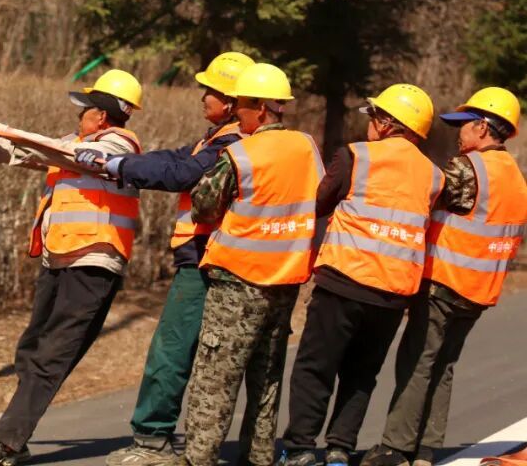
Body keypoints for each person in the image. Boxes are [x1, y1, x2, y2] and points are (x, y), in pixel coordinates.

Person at [0, 69, 143, 466]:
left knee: (52, 353)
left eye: (85, 110)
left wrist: (9, 130)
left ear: (102, 115)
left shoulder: (119, 146)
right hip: (59, 256)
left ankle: (6, 440)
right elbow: (18, 154)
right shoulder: (72, 144)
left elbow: (60, 153)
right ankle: (19, 433)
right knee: (31, 349)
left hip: (94, 260)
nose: (78, 116)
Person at [71, 52, 253, 465]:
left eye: (210, 91)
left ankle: (153, 441)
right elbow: (172, 159)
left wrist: (116, 163)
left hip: (207, 258)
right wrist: (118, 164)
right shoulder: (217, 139)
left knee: (172, 350)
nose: (202, 97)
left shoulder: (232, 144)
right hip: (213, 257)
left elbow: (180, 175)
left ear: (230, 101)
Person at [279, 85, 444, 466]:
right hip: (392, 295)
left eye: (374, 116)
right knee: (361, 375)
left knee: (315, 367)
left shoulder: (355, 156)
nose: (370, 123)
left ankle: (301, 448)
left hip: (344, 280)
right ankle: (340, 448)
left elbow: (319, 203)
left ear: (387, 124)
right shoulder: (435, 176)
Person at [168, 63, 325, 466]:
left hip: (238, 281)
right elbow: (319, 199)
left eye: (240, 106)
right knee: (266, 376)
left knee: (215, 376)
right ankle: (258, 456)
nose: (237, 114)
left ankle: (199, 458)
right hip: (286, 280)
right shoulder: (307, 147)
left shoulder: (240, 153)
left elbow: (204, 207)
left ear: (260, 108)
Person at [361, 87, 527, 466]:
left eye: (464, 126)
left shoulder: (469, 169)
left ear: (482, 128)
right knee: (444, 365)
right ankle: (426, 450)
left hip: (444, 282)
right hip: (479, 291)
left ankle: (395, 449)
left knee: (418, 361)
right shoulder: (516, 179)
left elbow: (422, 192)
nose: (458, 133)